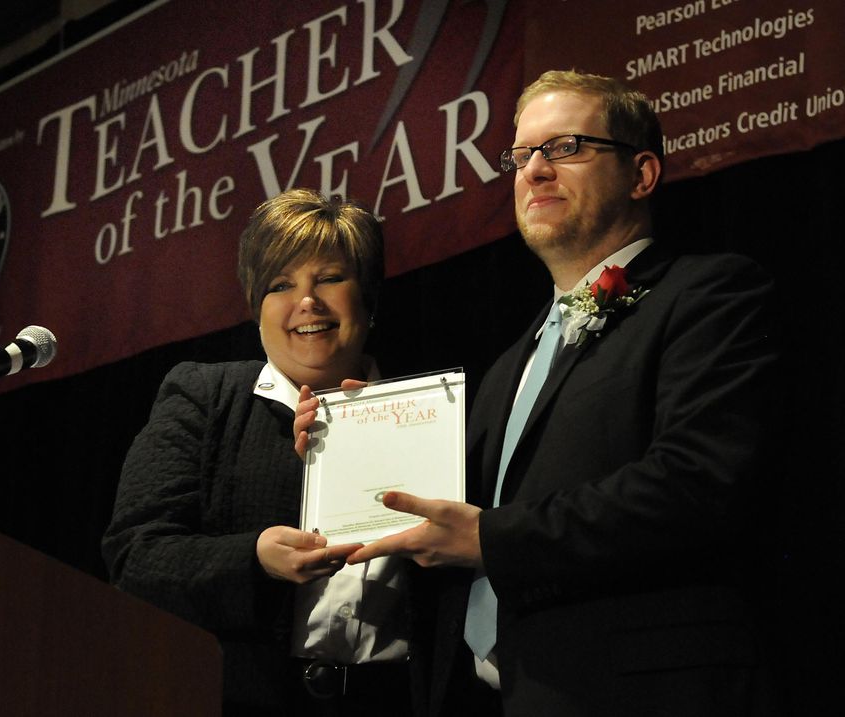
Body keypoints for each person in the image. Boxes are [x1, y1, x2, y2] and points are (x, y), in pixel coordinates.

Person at [299, 70, 781, 716]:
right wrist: (363, 440)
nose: (535, 171)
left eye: (566, 147)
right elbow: (446, 517)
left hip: (644, 690)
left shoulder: (708, 295)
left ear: (641, 174)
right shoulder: (506, 368)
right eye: (523, 155)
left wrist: (494, 538)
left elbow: (697, 484)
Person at [102, 188, 424, 717]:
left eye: (329, 278)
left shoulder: (436, 413)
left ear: (367, 295)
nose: (307, 301)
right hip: (233, 700)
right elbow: (135, 558)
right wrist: (253, 560)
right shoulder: (205, 397)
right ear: (256, 307)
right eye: (281, 284)